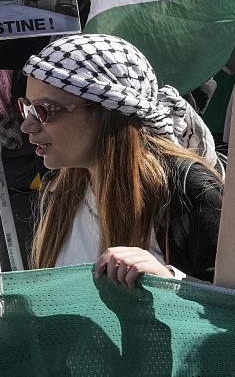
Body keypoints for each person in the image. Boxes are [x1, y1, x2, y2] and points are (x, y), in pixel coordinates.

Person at [20, 34, 223, 285]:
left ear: (107, 111)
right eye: (26, 107)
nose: (27, 126)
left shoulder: (186, 190)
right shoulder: (60, 189)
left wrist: (169, 280)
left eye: (43, 110)